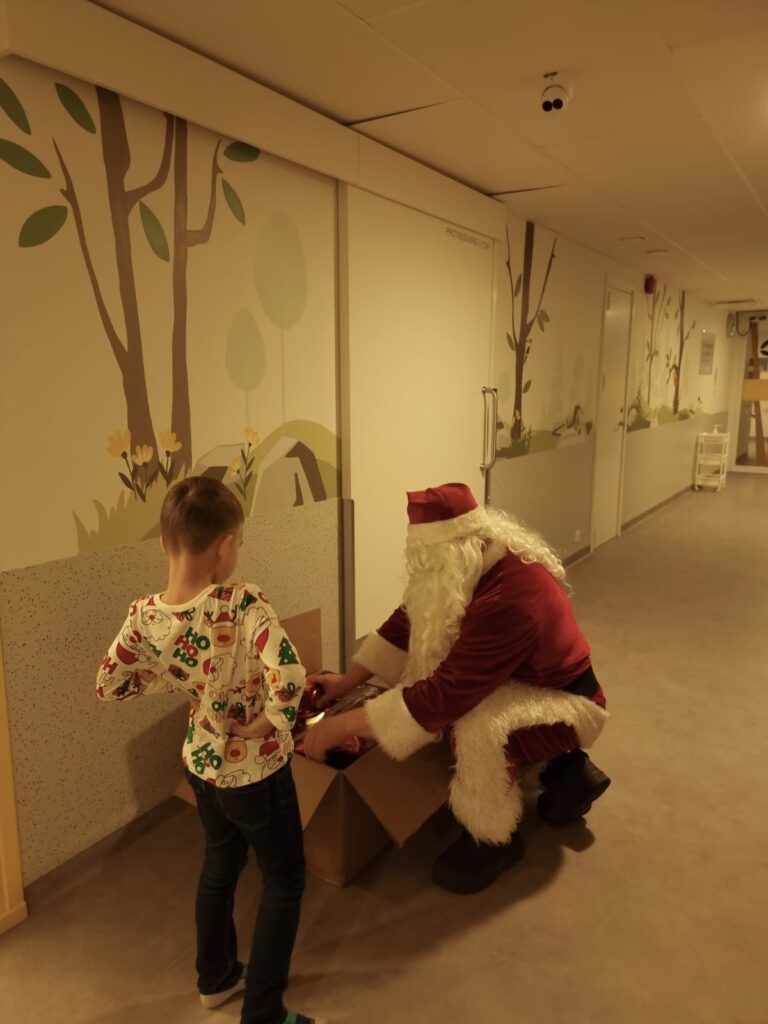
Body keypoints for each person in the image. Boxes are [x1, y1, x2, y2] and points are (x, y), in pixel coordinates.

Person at [303, 482, 610, 894]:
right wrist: (346, 682)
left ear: (454, 550)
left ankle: (494, 839)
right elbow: (408, 619)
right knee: (454, 698)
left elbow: (445, 696)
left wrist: (338, 727)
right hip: (526, 682)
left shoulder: (508, 599)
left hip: (570, 703)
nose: (422, 570)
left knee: (472, 723)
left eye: (428, 560)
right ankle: (568, 774)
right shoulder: (479, 561)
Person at [96, 476, 326, 1024]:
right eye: (239, 542)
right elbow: (290, 673)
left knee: (221, 862)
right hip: (254, 774)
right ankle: (263, 1013)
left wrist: (183, 683)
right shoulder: (242, 603)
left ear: (164, 543)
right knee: (285, 879)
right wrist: (266, 723)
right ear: (225, 546)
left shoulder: (144, 616)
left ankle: (216, 977)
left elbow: (109, 684)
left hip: (201, 765)